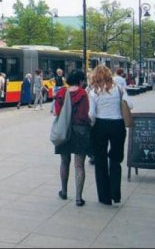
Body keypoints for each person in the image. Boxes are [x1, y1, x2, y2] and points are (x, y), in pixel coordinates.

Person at [88, 65, 134, 205]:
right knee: (115, 159)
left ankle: (104, 197)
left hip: (100, 125)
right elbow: (130, 105)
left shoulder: (94, 92)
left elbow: (92, 114)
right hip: (117, 124)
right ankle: (116, 193)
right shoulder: (119, 89)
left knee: (100, 160)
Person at [54, 69, 91, 206]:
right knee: (79, 165)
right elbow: (84, 114)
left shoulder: (62, 92)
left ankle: (64, 191)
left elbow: (56, 112)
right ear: (81, 80)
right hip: (80, 131)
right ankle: (78, 198)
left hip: (64, 130)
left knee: (64, 162)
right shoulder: (82, 93)